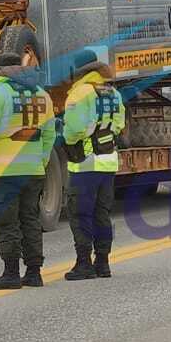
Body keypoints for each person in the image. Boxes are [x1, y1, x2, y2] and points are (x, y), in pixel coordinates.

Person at [0, 48, 56, 290]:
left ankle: (10, 273)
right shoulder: (41, 94)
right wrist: (42, 159)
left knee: (6, 221)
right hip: (34, 169)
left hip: (4, 170)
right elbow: (50, 134)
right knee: (30, 219)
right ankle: (34, 272)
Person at [61, 50, 125, 281]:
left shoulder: (80, 93)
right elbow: (119, 125)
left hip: (84, 164)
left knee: (80, 215)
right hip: (108, 163)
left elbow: (73, 130)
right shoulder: (113, 93)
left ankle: (83, 264)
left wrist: (66, 138)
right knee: (102, 214)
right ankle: (103, 263)